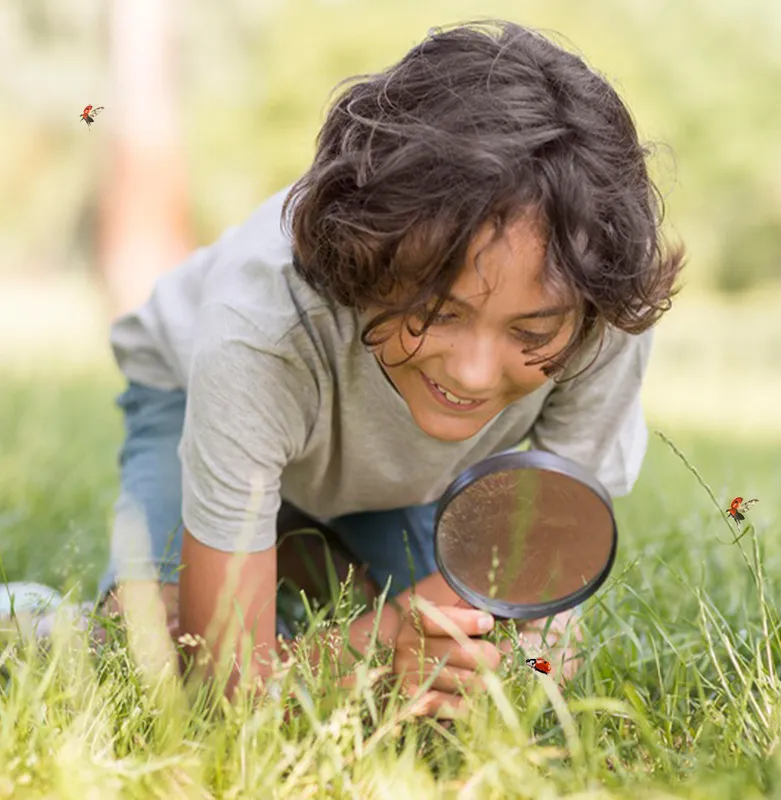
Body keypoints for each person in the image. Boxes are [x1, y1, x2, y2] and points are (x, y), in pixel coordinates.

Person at [96, 19, 685, 718]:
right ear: (368, 255)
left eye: (531, 331)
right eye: (438, 311)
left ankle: (297, 555)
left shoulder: (598, 305)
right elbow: (228, 688)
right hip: (194, 391)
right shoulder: (261, 332)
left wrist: (481, 636)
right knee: (152, 664)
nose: (470, 373)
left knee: (501, 664)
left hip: (388, 462)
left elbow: (546, 577)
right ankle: (35, 615)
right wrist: (384, 639)